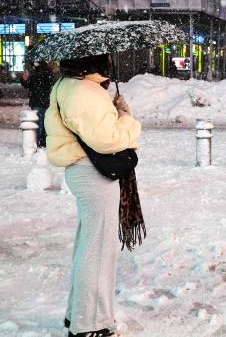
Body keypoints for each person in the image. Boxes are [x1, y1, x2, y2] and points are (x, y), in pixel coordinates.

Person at [44, 54, 141, 337]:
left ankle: (80, 315)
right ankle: (90, 324)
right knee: (98, 251)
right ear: (95, 62)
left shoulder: (69, 85)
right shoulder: (83, 91)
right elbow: (107, 139)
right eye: (106, 60)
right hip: (93, 173)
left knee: (90, 246)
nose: (109, 65)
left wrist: (116, 109)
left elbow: (92, 127)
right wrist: (127, 120)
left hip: (83, 169)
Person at [20, 61, 54, 147]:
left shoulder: (38, 73)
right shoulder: (46, 72)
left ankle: (40, 141)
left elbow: (29, 85)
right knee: (43, 122)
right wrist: (24, 80)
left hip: (38, 101)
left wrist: (25, 80)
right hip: (42, 101)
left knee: (40, 122)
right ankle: (42, 141)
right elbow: (29, 85)